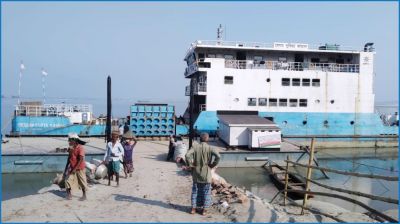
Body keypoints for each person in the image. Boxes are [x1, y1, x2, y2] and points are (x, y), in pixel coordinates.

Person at [185, 132, 220, 216]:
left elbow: (187, 155)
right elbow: (218, 157)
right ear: (207, 139)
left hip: (196, 173)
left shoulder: (195, 147)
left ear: (200, 138)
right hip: (206, 173)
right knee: (206, 192)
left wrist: (190, 165)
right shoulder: (210, 148)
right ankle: (204, 210)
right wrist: (212, 164)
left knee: (195, 191)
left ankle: (193, 209)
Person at [63, 133, 88, 200]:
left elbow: (80, 159)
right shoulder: (70, 148)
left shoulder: (80, 148)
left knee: (82, 181)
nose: (69, 142)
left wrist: (75, 168)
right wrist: (66, 169)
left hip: (80, 168)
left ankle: (84, 195)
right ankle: (69, 194)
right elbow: (69, 159)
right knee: (67, 180)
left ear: (74, 141)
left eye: (70, 140)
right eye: (69, 140)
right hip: (72, 167)